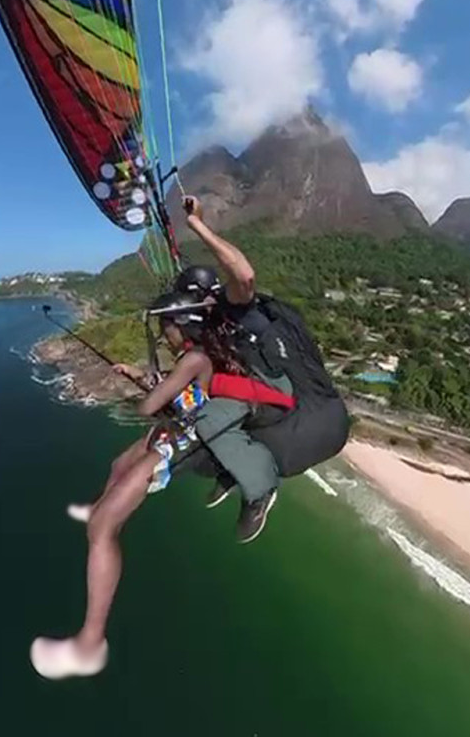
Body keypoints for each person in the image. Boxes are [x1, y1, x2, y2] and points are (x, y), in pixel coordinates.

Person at [29, 291, 281, 681]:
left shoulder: (195, 358)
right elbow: (186, 393)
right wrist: (140, 376)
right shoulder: (200, 356)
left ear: (182, 327)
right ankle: (100, 508)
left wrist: (142, 393)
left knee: (102, 529)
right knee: (118, 465)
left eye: (166, 328)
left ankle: (89, 645)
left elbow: (150, 407)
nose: (163, 336)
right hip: (181, 427)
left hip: (186, 441)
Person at [176, 197, 350, 490]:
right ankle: (240, 468)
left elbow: (243, 276)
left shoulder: (242, 310)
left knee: (201, 449)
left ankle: (256, 482)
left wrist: (197, 224)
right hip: (327, 427)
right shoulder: (218, 331)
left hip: (302, 433)